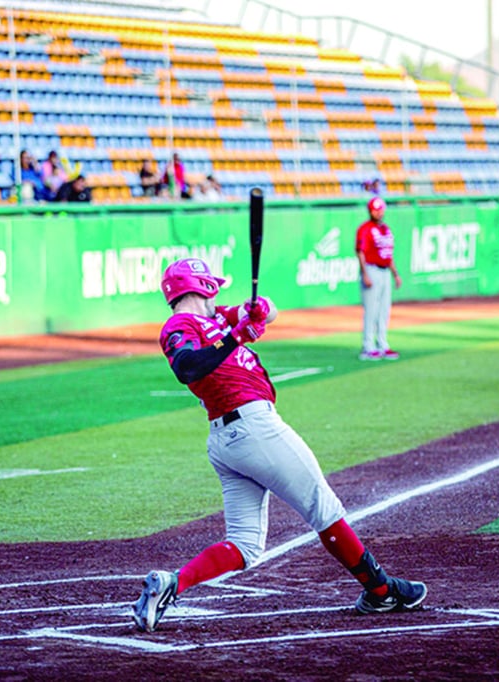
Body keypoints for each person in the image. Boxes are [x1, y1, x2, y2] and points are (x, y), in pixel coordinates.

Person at [131, 258, 427, 633]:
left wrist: (258, 311)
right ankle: (381, 590)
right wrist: (236, 337)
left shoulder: (216, 317)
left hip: (231, 441)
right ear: (202, 286)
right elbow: (187, 366)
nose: (218, 294)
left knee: (245, 545)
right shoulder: (179, 326)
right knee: (323, 507)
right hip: (253, 428)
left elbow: (265, 312)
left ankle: (172, 583)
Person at [355, 197, 402, 360]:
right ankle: (368, 346)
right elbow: (360, 252)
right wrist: (365, 273)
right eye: (375, 210)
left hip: (385, 271)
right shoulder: (365, 229)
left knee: (384, 309)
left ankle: (382, 344)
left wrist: (395, 274)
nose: (379, 212)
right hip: (371, 269)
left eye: (380, 209)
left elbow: (388, 254)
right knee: (371, 310)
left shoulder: (386, 229)